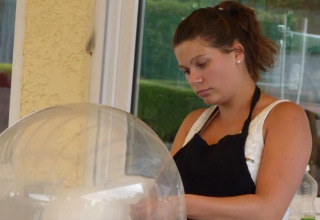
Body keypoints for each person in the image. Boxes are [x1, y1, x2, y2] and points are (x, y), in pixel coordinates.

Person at [170, 1, 312, 219]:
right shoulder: (193, 122)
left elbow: (268, 210)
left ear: (237, 53)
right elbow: (164, 192)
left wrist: (182, 203)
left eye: (202, 64)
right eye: (186, 71)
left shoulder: (284, 117)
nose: (194, 79)